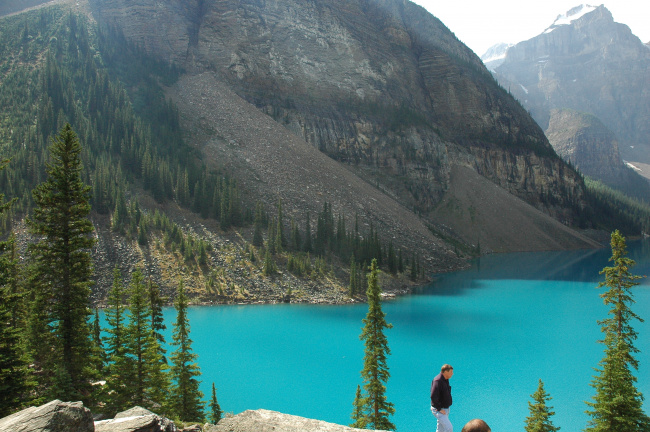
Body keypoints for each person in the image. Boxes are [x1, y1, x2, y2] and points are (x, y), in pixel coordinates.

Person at [430, 364, 454, 432]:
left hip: (445, 409)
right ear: (446, 372)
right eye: (451, 372)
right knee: (449, 428)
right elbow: (433, 396)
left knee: (440, 429)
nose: (452, 374)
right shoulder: (437, 381)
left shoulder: (445, 379)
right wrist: (439, 408)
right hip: (439, 410)